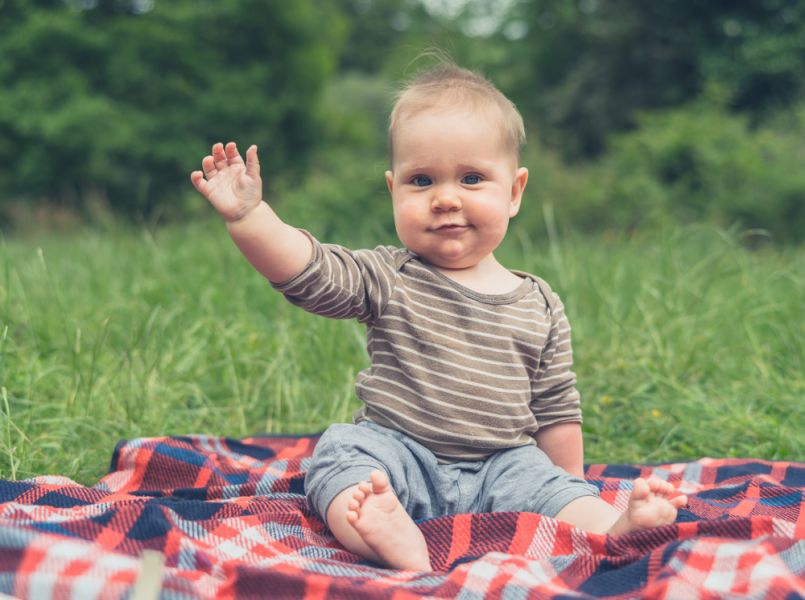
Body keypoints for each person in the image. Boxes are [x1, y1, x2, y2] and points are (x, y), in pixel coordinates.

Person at [190, 62, 687, 572]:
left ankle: (613, 528)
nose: (445, 198)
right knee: (340, 457)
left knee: (551, 486)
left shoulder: (538, 302)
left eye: (472, 178)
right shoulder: (389, 274)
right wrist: (251, 218)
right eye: (421, 180)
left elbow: (557, 406)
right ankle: (384, 531)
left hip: (502, 465)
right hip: (398, 454)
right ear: (393, 191)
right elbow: (311, 272)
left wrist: (569, 488)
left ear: (514, 192)